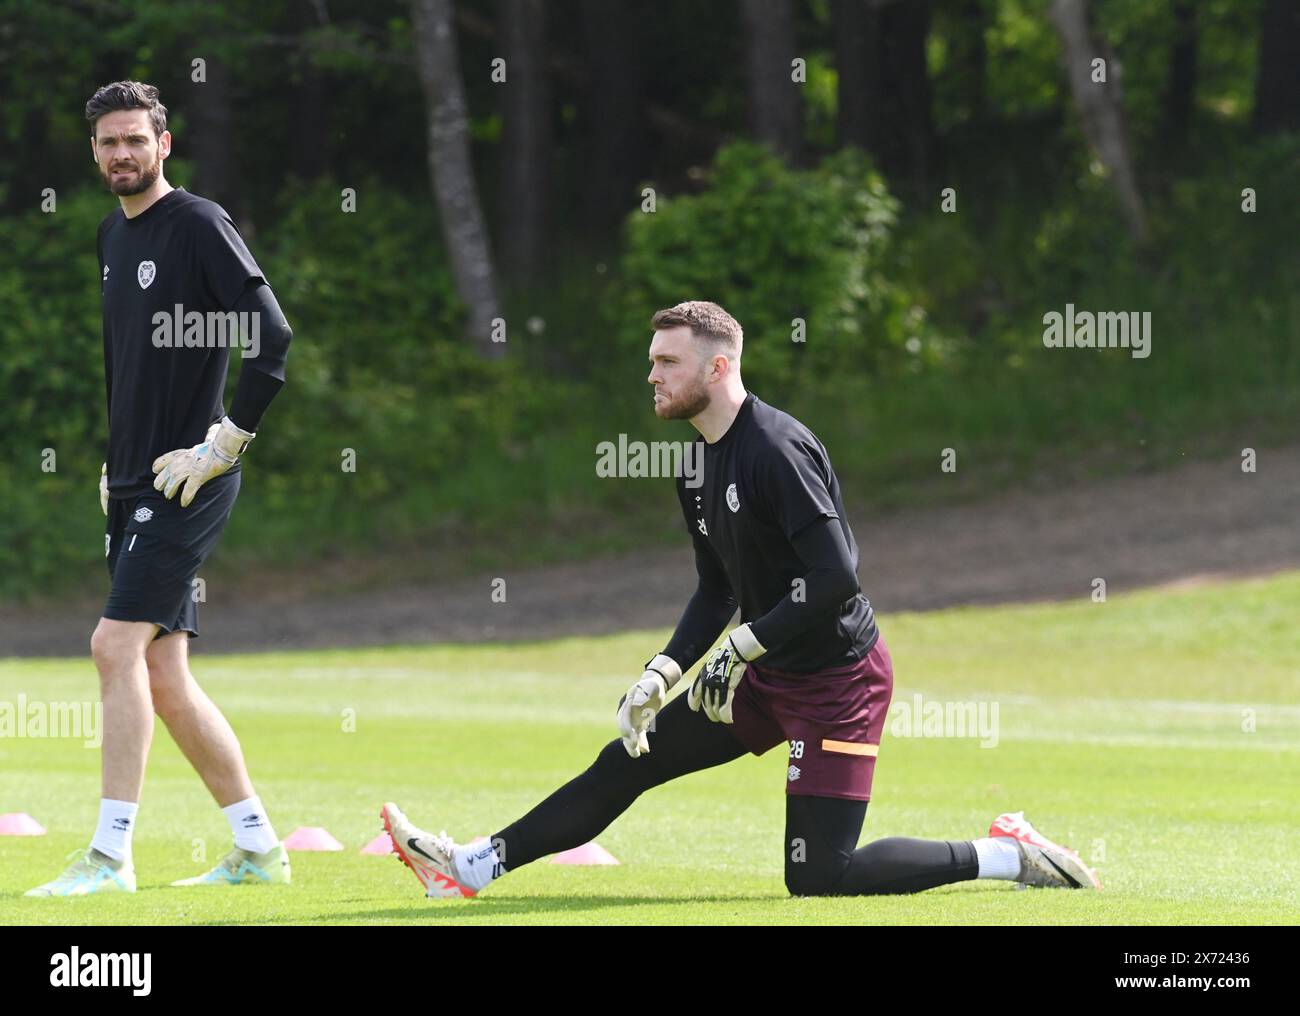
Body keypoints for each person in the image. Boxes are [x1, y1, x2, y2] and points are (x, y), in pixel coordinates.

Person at [382, 301, 1099, 898]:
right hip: (761, 673)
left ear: (718, 367)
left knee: (819, 876)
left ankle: (1008, 853)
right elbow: (717, 586)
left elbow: (837, 576)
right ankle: (471, 868)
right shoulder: (693, 464)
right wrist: (662, 672)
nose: (651, 375)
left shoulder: (777, 450)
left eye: (668, 362)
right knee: (628, 760)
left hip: (835, 683)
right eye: (653, 360)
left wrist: (741, 646)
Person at [26, 80, 294, 896]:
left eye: (135, 139)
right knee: (163, 674)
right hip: (139, 477)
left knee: (112, 647)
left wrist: (225, 442)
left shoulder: (200, 224)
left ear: (163, 144)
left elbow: (271, 336)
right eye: (108, 142)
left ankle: (110, 857)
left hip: (190, 477)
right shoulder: (112, 234)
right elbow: (129, 370)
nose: (121, 153)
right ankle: (258, 850)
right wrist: (117, 464)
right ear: (95, 152)